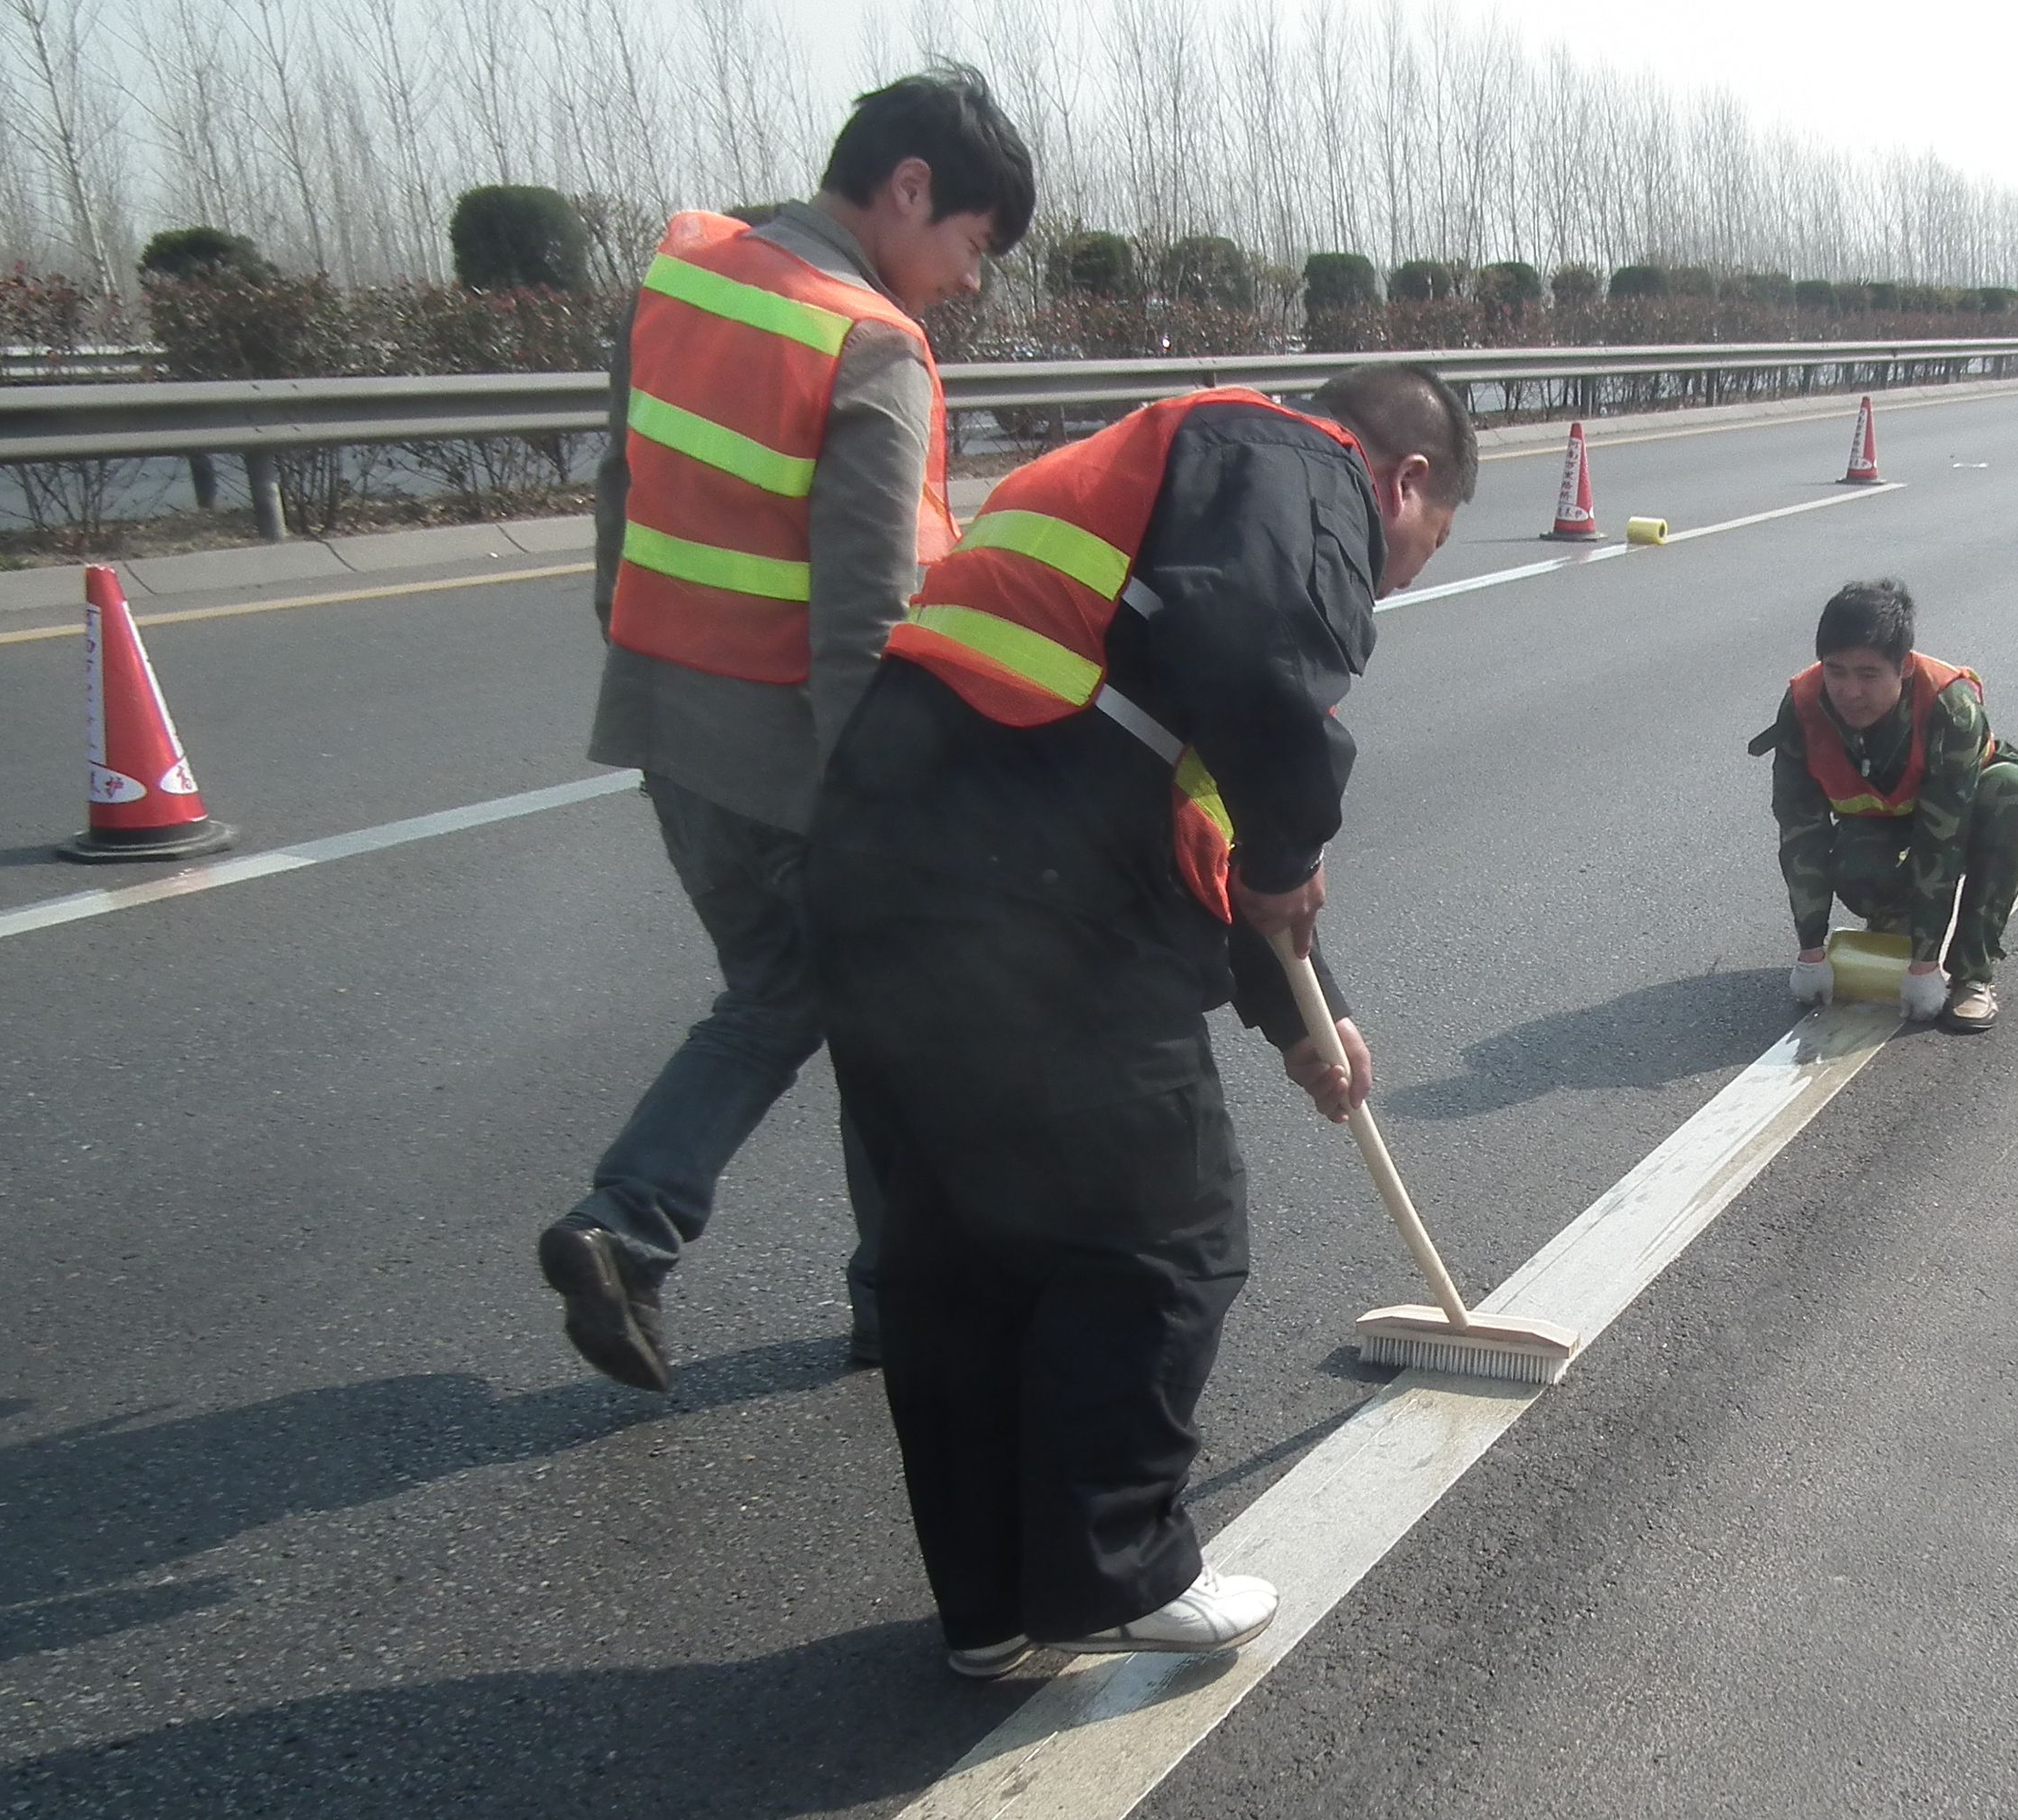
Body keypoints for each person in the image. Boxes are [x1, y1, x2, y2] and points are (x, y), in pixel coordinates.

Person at [803, 365, 1476, 1678]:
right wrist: (1294, 842)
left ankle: (994, 1606)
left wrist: (1305, 1013)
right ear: (1403, 480)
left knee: (964, 1261)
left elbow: (1191, 801)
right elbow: (1266, 675)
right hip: (1034, 912)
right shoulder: (1292, 459)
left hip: (886, 874)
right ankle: (1117, 1569)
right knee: (1162, 1235)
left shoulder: (1160, 499)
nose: (1385, 585)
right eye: (1412, 555)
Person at [536, 66, 1036, 1395]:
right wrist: (894, 809)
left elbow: (618, 496)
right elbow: (866, 619)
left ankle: (633, 1226)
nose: (966, 282)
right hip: (803, 762)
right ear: (910, 186)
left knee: (784, 994)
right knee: (887, 1014)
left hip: (664, 722)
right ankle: (876, 1295)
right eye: (972, 246)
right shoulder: (865, 343)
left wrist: (642, 656)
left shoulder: (680, 281)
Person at [1747, 580, 2018, 1033]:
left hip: (1957, 812)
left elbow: (1940, 840)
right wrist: (1810, 951)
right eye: (1836, 671)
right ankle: (1896, 923)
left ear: (1903, 668)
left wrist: (1926, 967)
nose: (1850, 691)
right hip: (1878, 823)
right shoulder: (1803, 706)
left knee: (2013, 793)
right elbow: (1800, 832)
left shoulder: (1950, 705)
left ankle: (1972, 973)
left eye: (1868, 674)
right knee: (1858, 870)